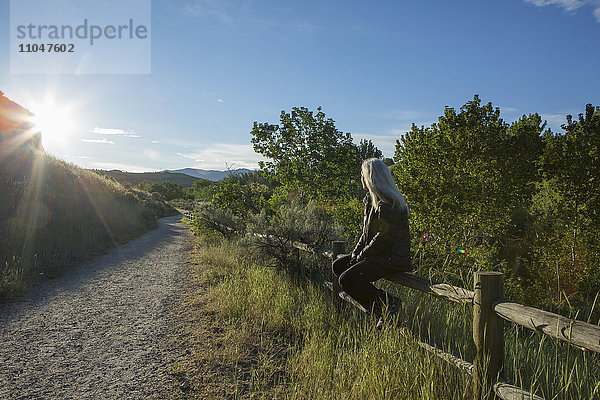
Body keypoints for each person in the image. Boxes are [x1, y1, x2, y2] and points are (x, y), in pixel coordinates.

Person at [332, 158, 412, 328]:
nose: (361, 178)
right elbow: (366, 234)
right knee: (339, 266)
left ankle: (388, 304)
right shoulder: (371, 200)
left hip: (390, 258)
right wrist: (355, 253)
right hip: (378, 255)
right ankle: (380, 311)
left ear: (370, 177)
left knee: (347, 279)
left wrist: (362, 255)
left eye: (362, 174)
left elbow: (384, 237)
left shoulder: (389, 202)